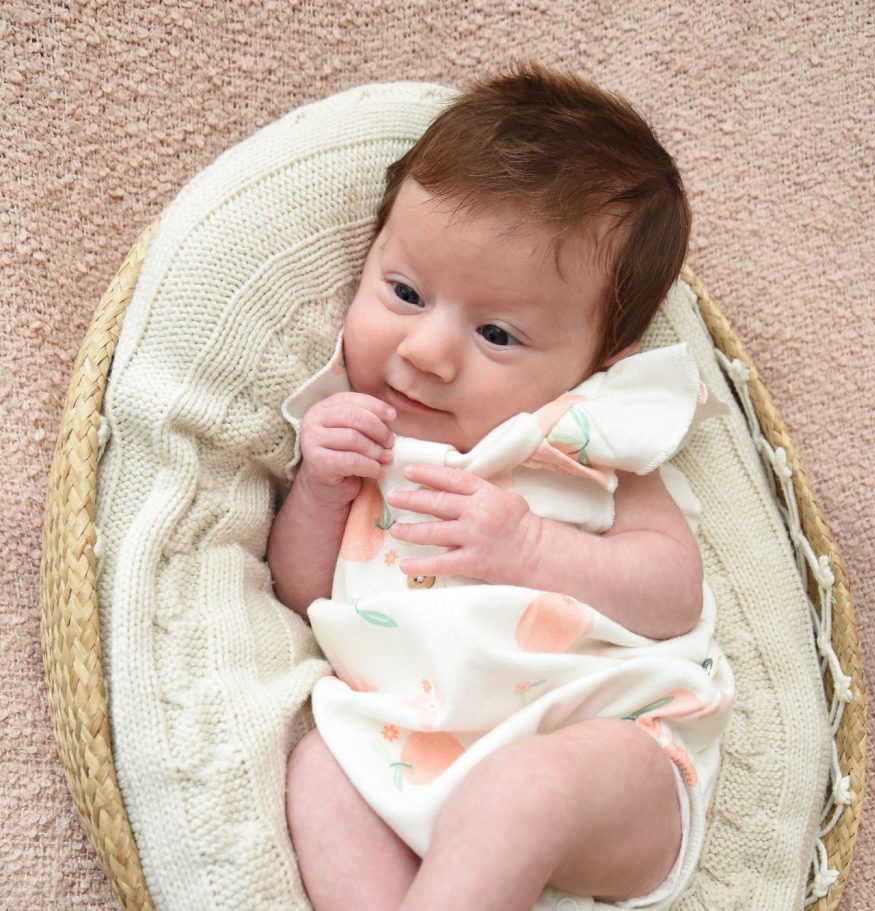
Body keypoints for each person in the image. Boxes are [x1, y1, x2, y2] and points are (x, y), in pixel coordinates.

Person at [268, 61, 734, 911]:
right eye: (403, 292)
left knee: (522, 790)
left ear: (596, 363)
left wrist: (528, 546)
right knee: (319, 770)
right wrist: (319, 491)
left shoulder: (579, 435)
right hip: (409, 748)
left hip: (607, 748)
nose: (426, 353)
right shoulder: (361, 435)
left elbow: (672, 592)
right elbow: (303, 596)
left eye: (496, 334)